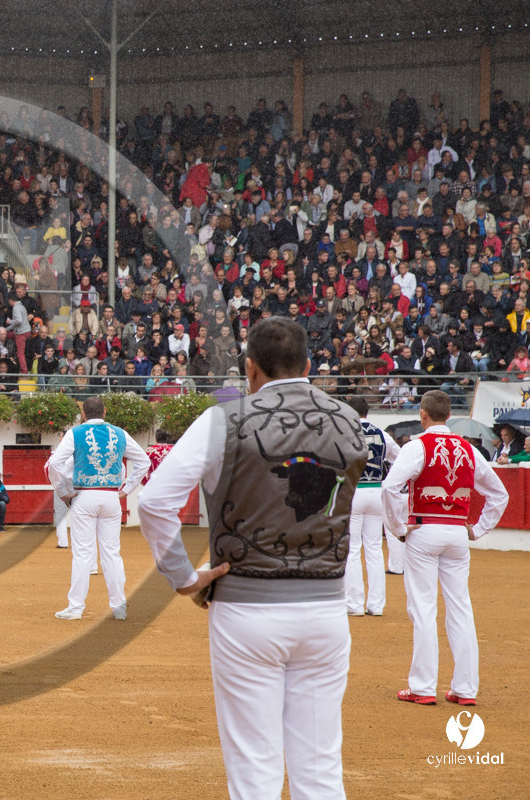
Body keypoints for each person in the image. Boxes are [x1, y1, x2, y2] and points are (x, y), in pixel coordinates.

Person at [137, 317, 369, 800]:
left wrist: (184, 578)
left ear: (251, 369)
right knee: (321, 767)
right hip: (327, 608)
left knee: (255, 769)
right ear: (308, 365)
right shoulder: (349, 420)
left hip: (246, 606)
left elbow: (154, 502)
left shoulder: (223, 419)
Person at [382, 390, 509, 706]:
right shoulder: (469, 449)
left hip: (424, 530)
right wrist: (477, 529)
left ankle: (423, 687)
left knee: (423, 607)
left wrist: (399, 527)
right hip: (456, 533)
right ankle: (465, 689)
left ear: (423, 414)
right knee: (461, 607)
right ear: (449, 415)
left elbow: (390, 487)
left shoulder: (417, 447)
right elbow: (499, 494)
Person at [46, 395, 151, 621]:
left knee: (83, 554)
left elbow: (54, 463)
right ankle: (119, 607)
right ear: (104, 413)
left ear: (83, 414)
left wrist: (64, 489)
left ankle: (76, 608)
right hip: (112, 497)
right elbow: (144, 461)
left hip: (84, 495)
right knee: (112, 553)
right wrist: (127, 489)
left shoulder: (75, 433)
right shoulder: (119, 433)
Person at [344, 397, 400, 616]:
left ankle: (354, 604)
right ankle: (376, 605)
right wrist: (388, 481)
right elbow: (400, 459)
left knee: (352, 550)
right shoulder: (383, 435)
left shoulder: (345, 432)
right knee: (375, 549)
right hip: (376, 491)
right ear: (367, 411)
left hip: (354, 492)